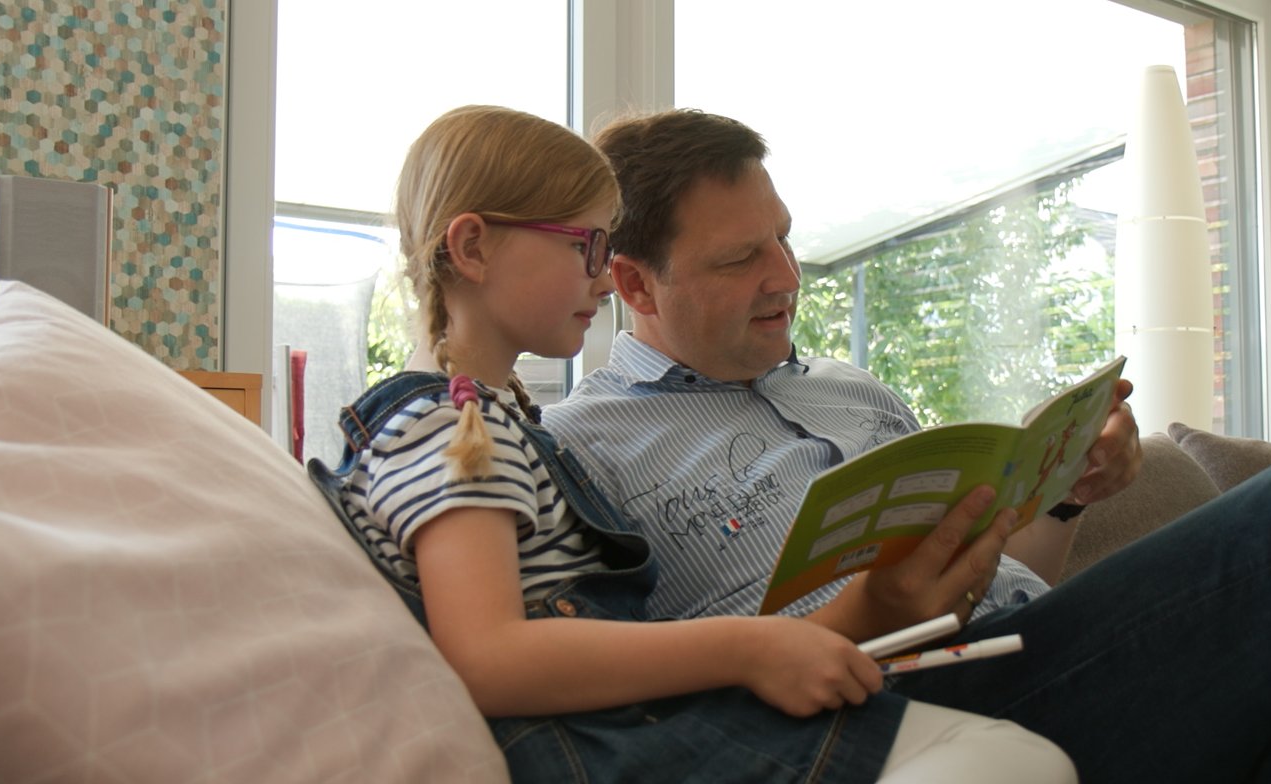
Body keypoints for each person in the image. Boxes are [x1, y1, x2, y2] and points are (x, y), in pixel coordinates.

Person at [541, 107, 1271, 781]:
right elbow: (637, 702)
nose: (786, 278)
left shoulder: (850, 392)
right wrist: (861, 606)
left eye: (786, 241)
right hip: (890, 717)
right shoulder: (583, 449)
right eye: (739, 259)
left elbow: (1011, 575)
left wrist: (1057, 499)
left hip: (1047, 654)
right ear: (633, 281)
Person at [310, 105, 1074, 784]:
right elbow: (484, 657)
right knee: (1015, 761)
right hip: (625, 745)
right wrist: (750, 647)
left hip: (661, 724)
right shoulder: (449, 425)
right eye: (585, 247)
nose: (603, 282)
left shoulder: (492, 420)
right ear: (473, 248)